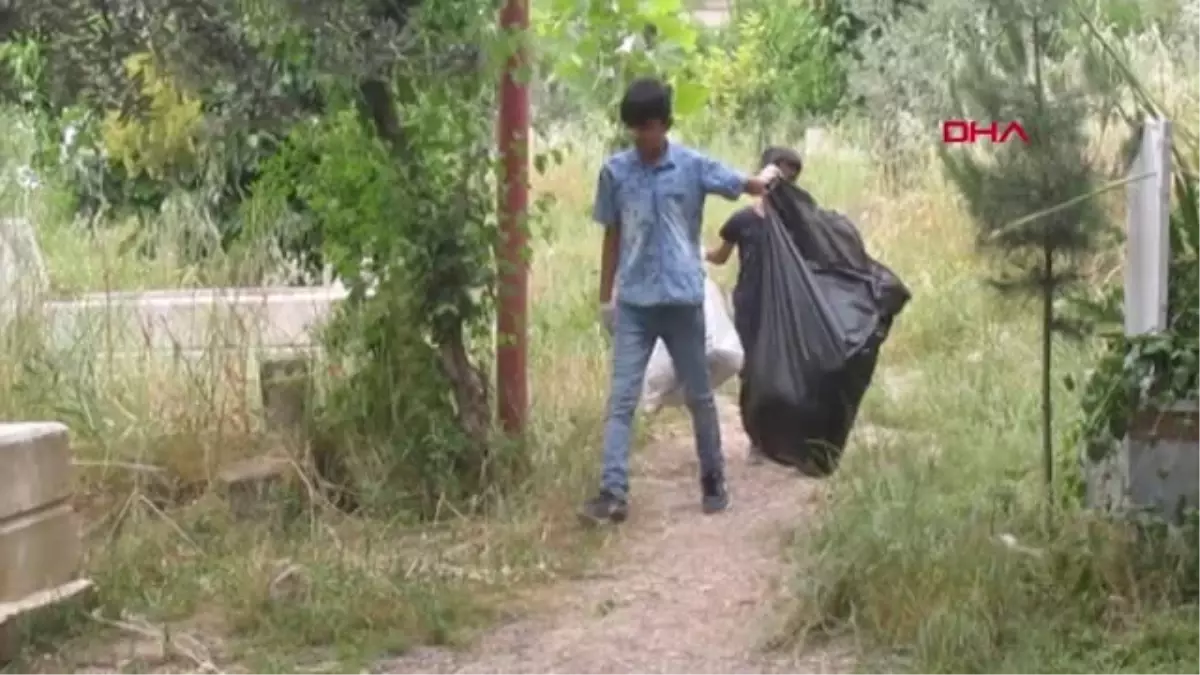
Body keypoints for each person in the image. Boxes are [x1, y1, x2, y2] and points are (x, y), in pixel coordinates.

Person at [580, 78, 782, 525]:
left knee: (700, 396)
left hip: (682, 301)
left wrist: (763, 179)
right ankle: (612, 493)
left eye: (647, 127)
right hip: (634, 302)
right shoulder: (615, 172)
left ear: (663, 124)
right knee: (621, 398)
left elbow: (741, 184)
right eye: (634, 129)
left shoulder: (691, 166)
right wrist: (604, 299)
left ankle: (713, 482)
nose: (641, 137)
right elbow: (612, 234)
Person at [705, 147, 803, 464]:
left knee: (784, 368)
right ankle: (758, 441)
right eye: (779, 178)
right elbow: (720, 256)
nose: (783, 185)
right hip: (750, 304)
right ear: (762, 178)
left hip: (787, 305)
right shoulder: (743, 221)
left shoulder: (797, 223)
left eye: (791, 179)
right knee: (751, 372)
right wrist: (692, 253)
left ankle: (784, 437)